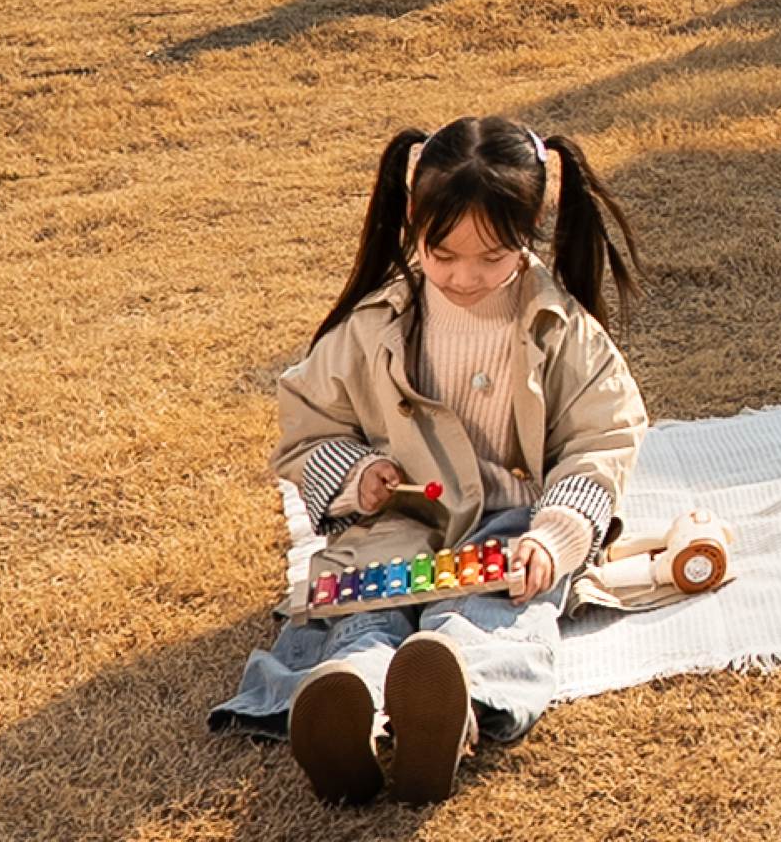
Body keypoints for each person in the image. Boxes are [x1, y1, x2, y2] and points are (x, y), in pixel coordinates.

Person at [212, 115, 649, 805]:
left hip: (513, 525)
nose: (464, 277)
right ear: (413, 219)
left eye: (492, 258)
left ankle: (450, 705)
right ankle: (347, 699)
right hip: (399, 520)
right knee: (363, 619)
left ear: (531, 227)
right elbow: (308, 425)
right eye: (442, 255)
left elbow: (602, 439)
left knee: (492, 616)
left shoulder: (564, 331)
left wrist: (557, 535)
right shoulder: (375, 324)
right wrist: (356, 474)